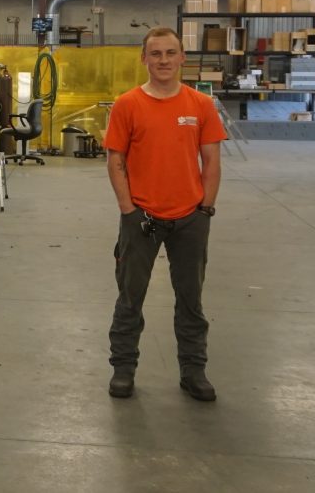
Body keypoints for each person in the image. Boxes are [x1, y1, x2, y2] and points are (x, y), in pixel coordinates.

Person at [103, 26, 226, 402]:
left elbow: (212, 160)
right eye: (155, 54)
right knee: (130, 298)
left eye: (170, 53)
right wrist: (129, 211)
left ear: (182, 57)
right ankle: (123, 369)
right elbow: (115, 160)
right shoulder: (128, 104)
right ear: (144, 59)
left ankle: (194, 371)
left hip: (190, 217)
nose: (163, 61)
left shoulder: (200, 105)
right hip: (141, 218)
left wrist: (204, 209)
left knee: (191, 300)